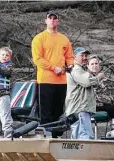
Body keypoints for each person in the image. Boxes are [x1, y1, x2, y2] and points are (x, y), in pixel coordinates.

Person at [31, 10, 74, 138]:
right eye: (50, 18)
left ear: (58, 21)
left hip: (62, 81)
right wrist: (53, 68)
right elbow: (37, 59)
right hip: (45, 80)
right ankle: (45, 135)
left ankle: (57, 136)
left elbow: (70, 56)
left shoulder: (64, 39)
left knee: (58, 110)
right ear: (46, 21)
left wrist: (71, 65)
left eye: (55, 18)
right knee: (45, 111)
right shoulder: (39, 38)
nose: (53, 20)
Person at [65, 47, 106, 139]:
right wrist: (98, 77)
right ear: (74, 56)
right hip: (79, 110)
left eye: (86, 55)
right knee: (86, 137)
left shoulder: (79, 70)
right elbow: (87, 82)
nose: (84, 57)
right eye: (82, 55)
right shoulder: (76, 69)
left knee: (78, 139)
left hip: (79, 110)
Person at [87, 54, 114, 135]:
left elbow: (108, 93)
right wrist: (99, 79)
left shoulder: (103, 78)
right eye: (92, 64)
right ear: (87, 66)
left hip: (103, 105)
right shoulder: (88, 77)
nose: (94, 66)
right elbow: (97, 96)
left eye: (96, 63)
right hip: (93, 105)